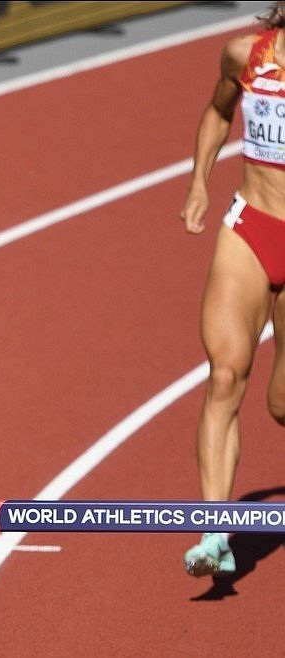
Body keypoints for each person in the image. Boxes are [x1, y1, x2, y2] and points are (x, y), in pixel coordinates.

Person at [179, 1, 285, 578]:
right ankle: (214, 530)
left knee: (281, 406)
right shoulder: (246, 55)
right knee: (224, 374)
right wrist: (200, 180)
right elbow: (219, 111)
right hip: (251, 227)